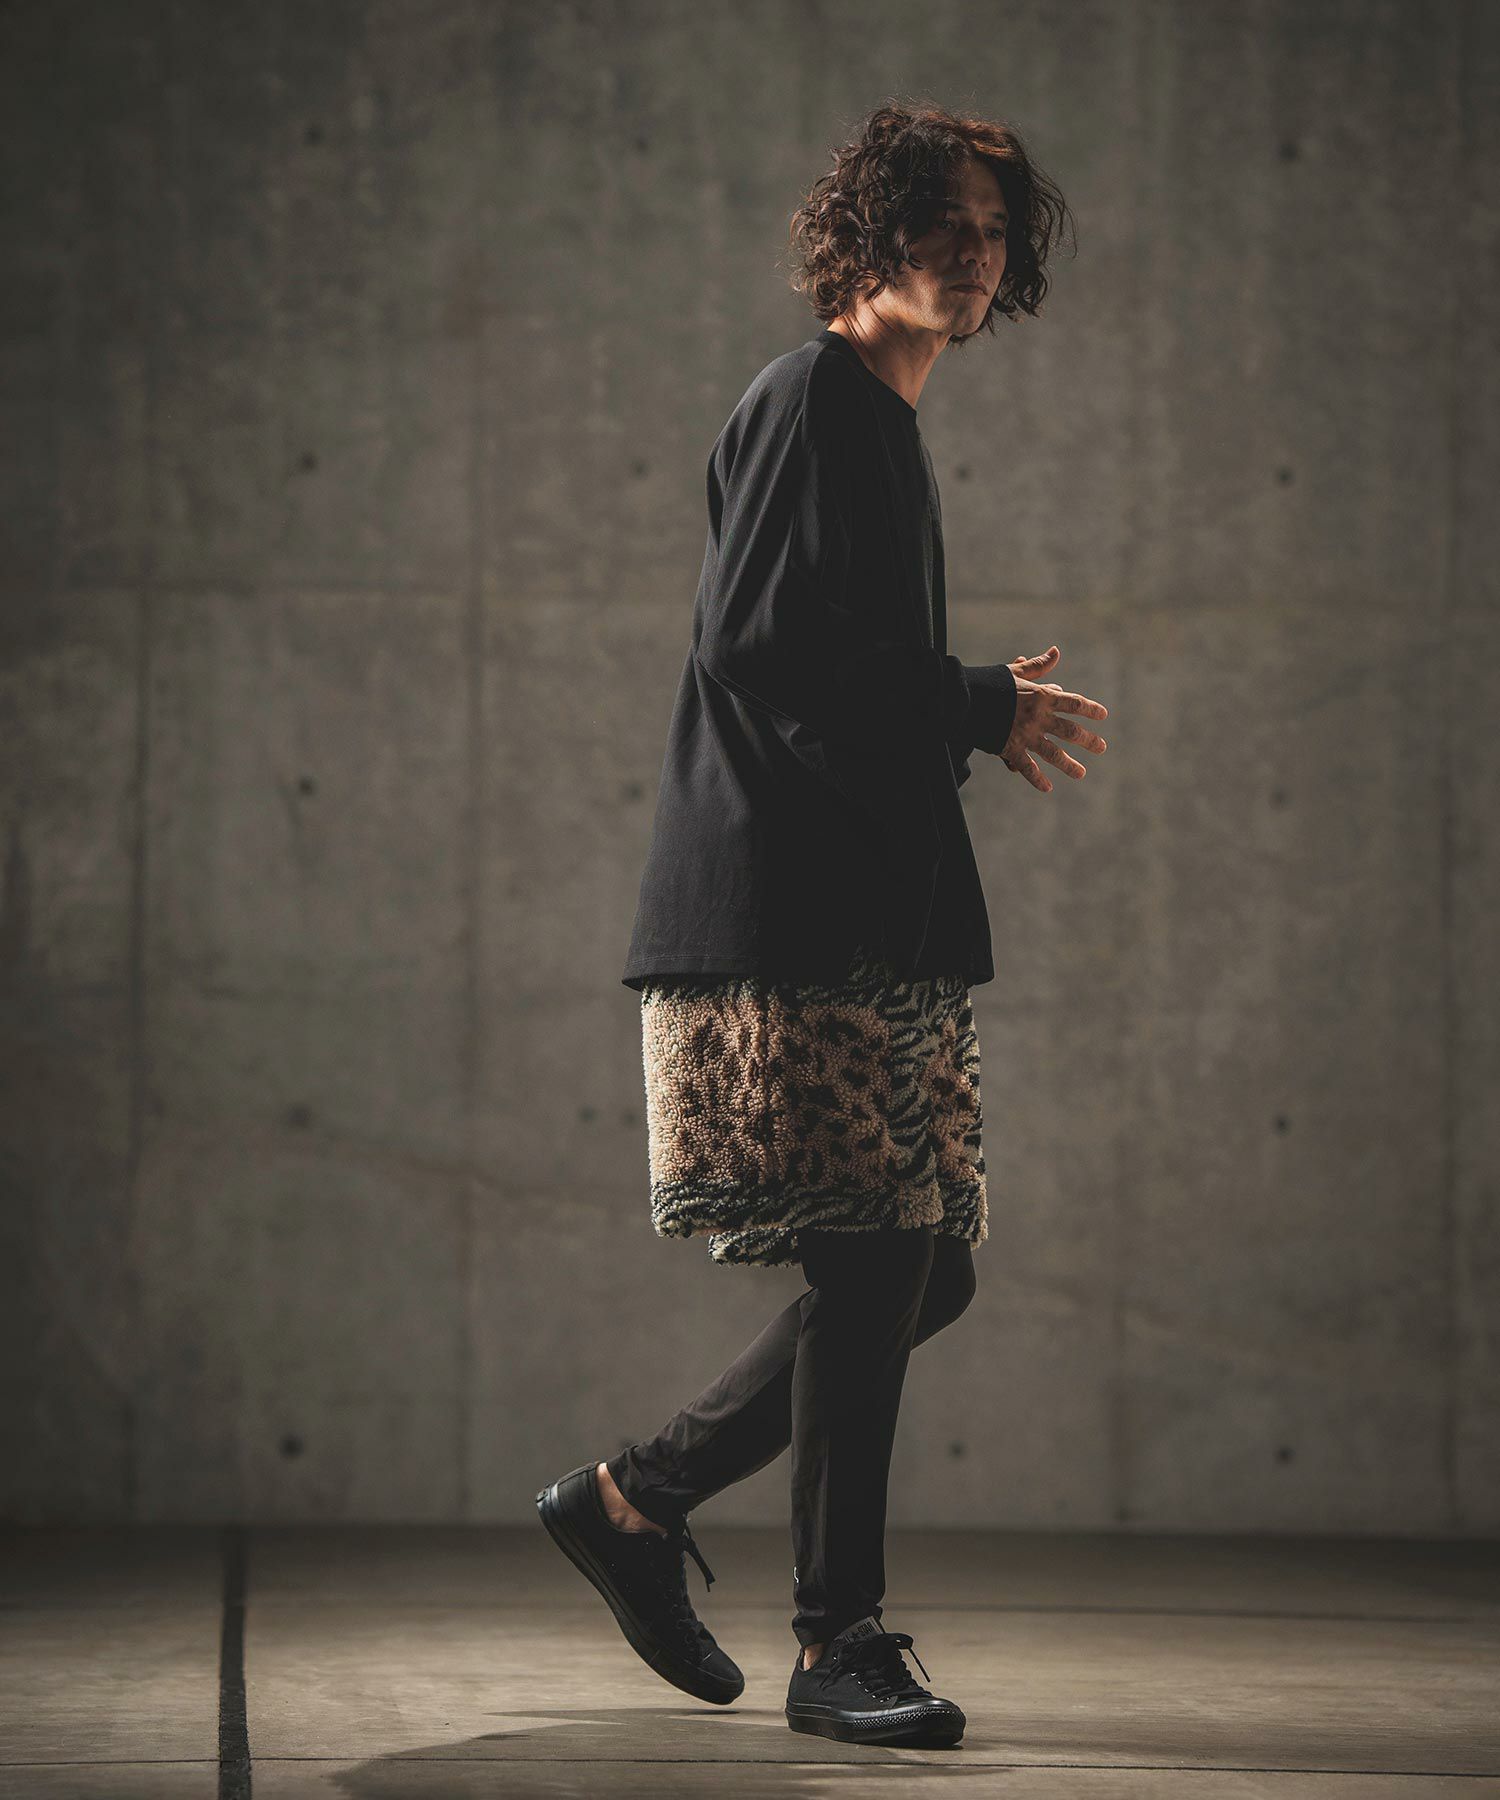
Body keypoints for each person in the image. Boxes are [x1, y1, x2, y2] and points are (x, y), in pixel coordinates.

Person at [537, 100, 1108, 1750]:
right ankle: (835, 1642)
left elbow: (821, 670)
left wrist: (963, 709)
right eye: (941, 220)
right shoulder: (814, 400)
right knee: (879, 1267)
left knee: (919, 1272)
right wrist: (974, 700)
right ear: (866, 234)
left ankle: (634, 1501)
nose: (972, 252)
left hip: (862, 920)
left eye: (993, 230)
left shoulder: (877, 421)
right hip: (795, 927)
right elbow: (760, 645)